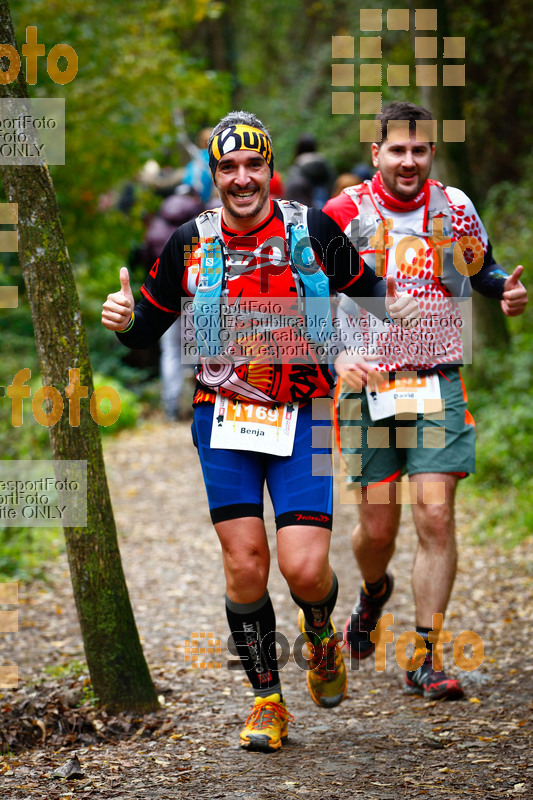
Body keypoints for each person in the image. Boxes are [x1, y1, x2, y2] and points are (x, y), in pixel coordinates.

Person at [102, 110, 418, 751]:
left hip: (306, 414)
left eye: (254, 165)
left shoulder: (311, 228)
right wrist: (124, 318)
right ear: (214, 175)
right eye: (229, 167)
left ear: (270, 170)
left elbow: (369, 292)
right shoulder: (189, 240)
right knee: (245, 564)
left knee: (305, 571)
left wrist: (397, 309)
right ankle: (268, 701)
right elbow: (145, 331)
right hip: (222, 415)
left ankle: (322, 633)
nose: (243, 178)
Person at [323, 101, 528, 700]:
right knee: (377, 530)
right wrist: (335, 356)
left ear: (431, 152)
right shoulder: (343, 214)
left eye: (420, 150)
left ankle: (424, 655)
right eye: (397, 150)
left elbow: (481, 269)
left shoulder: (453, 208)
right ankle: (374, 590)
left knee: (435, 515)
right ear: (375, 154)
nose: (408, 161)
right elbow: (304, 294)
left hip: (436, 379)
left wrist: (502, 291)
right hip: (368, 389)